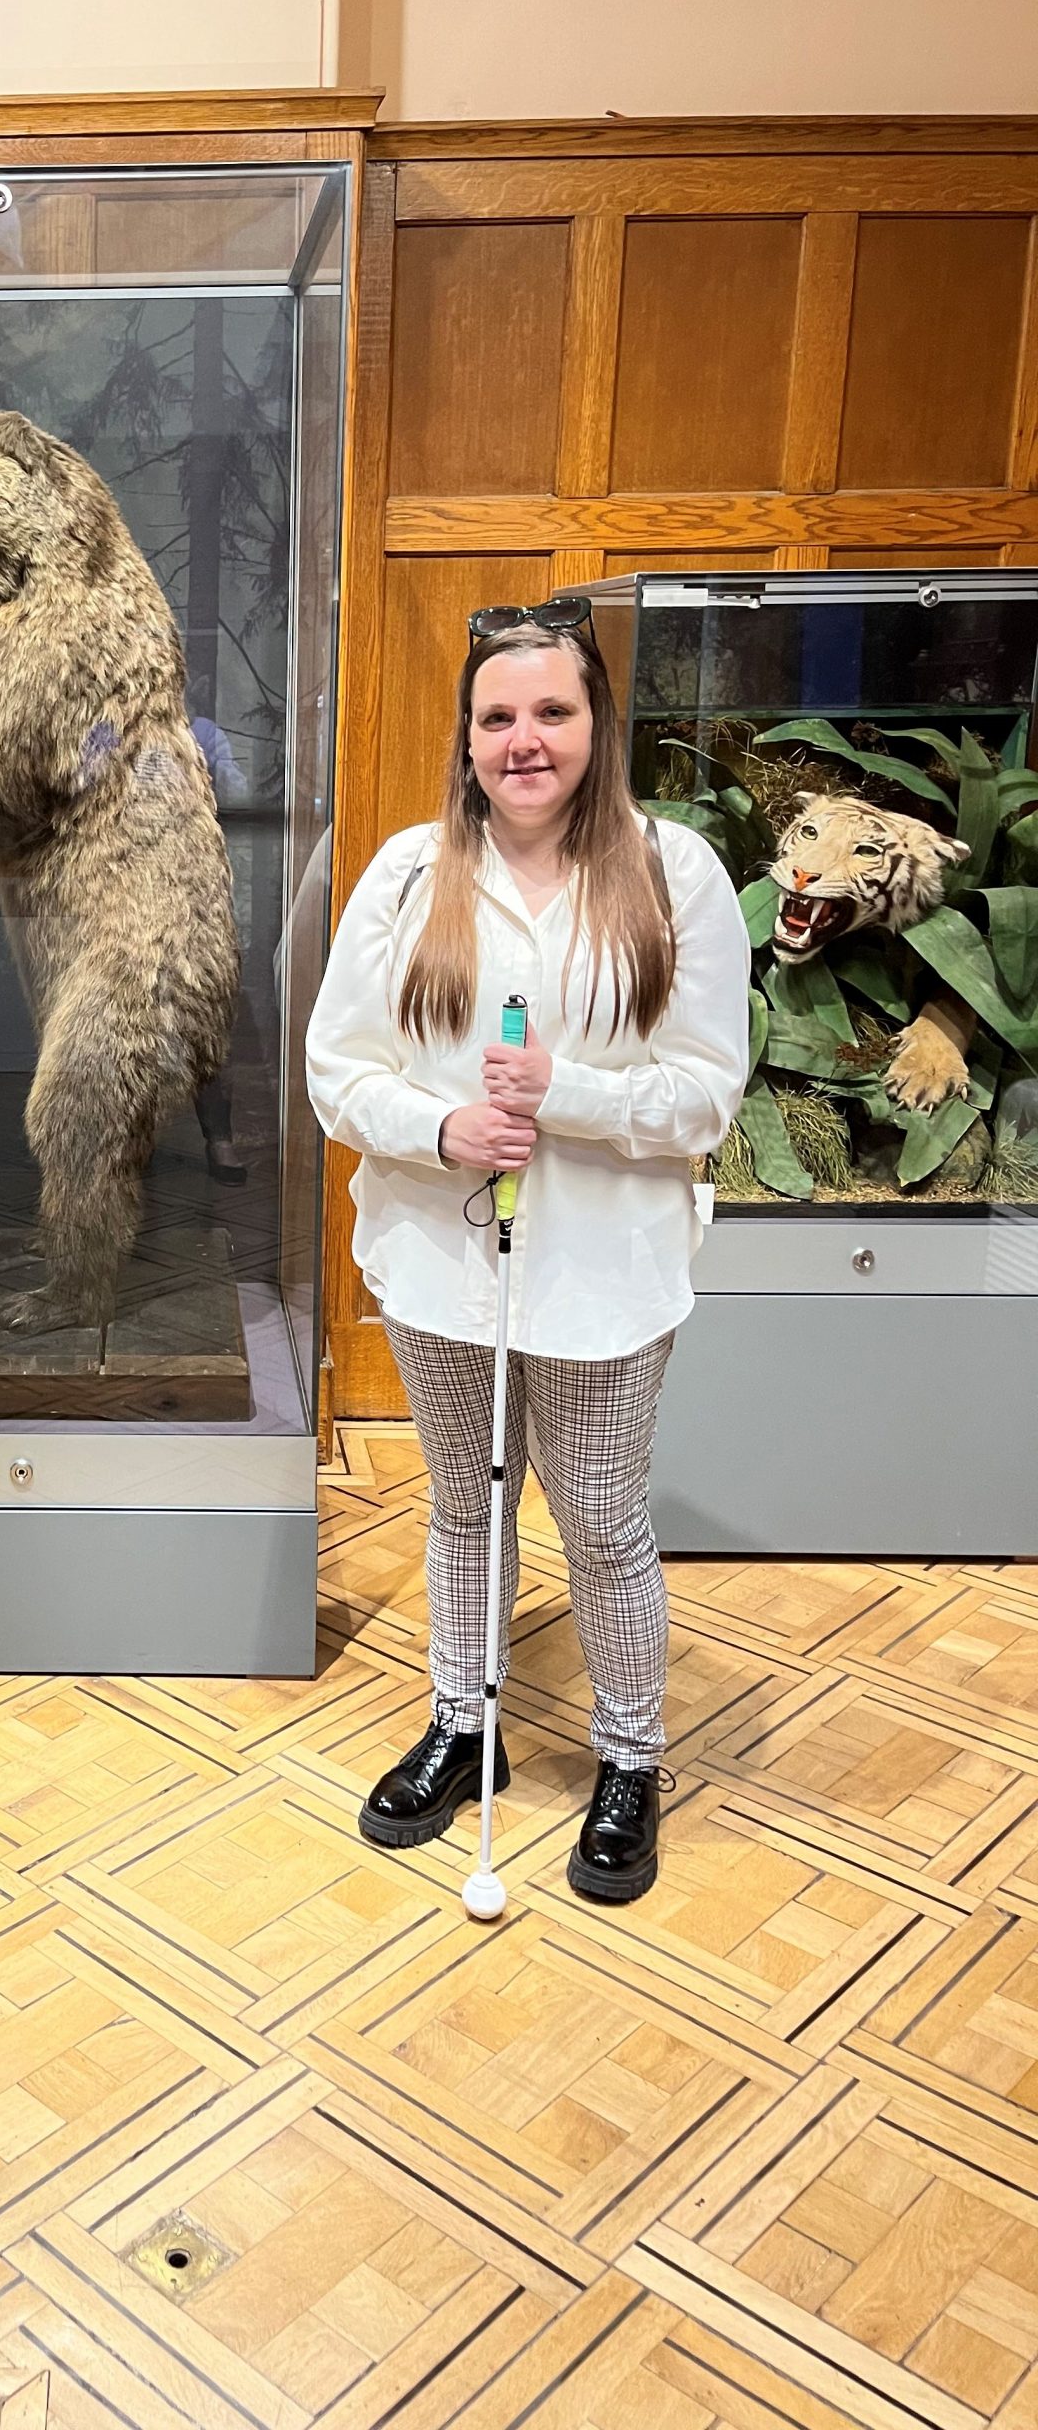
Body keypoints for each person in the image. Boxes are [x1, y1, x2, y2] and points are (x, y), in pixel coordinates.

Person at [306, 601, 749, 1903]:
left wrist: (564, 1097)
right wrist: (445, 1127)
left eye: (551, 710)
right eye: (497, 716)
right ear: (468, 735)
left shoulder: (680, 878)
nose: (523, 739)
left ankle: (629, 1757)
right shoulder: (404, 875)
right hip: (444, 1264)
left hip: (606, 1279)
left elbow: (705, 1095)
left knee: (602, 1522)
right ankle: (463, 1725)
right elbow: (339, 1074)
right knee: (464, 1500)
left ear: (597, 722)